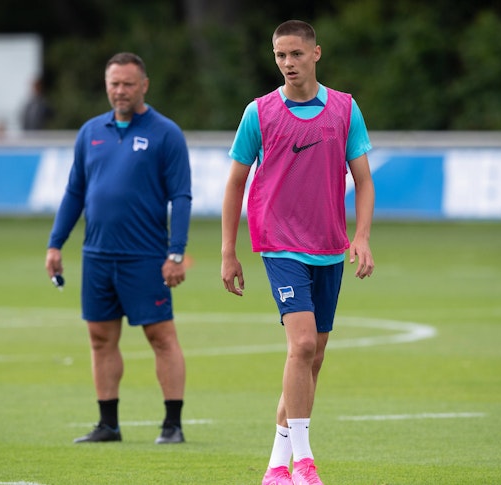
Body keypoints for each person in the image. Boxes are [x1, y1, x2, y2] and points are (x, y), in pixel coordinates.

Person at [220, 20, 375, 485]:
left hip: (329, 245)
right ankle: (305, 462)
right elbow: (235, 183)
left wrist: (361, 236)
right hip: (279, 243)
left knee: (313, 356)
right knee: (303, 344)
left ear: (316, 54)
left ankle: (275, 467)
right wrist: (229, 251)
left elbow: (364, 180)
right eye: (280, 55)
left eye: (295, 54)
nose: (288, 63)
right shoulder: (260, 113)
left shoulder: (345, 110)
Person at [45, 52, 191, 445]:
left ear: (144, 85)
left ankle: (172, 424)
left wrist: (176, 252)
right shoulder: (91, 131)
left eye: (128, 83)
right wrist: (55, 244)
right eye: (114, 83)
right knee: (99, 338)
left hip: (145, 257)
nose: (120, 91)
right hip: (97, 256)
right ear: (106, 85)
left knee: (161, 337)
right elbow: (75, 192)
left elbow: (181, 196)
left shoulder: (166, 134)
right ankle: (108, 424)